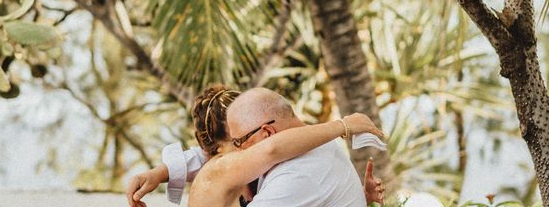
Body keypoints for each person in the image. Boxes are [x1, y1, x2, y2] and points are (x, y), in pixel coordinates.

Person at [127, 86, 386, 207]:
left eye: (241, 143)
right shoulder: (301, 146)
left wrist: (343, 126)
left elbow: (270, 150)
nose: (241, 153)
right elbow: (208, 157)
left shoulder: (297, 169)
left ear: (266, 132)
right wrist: (160, 173)